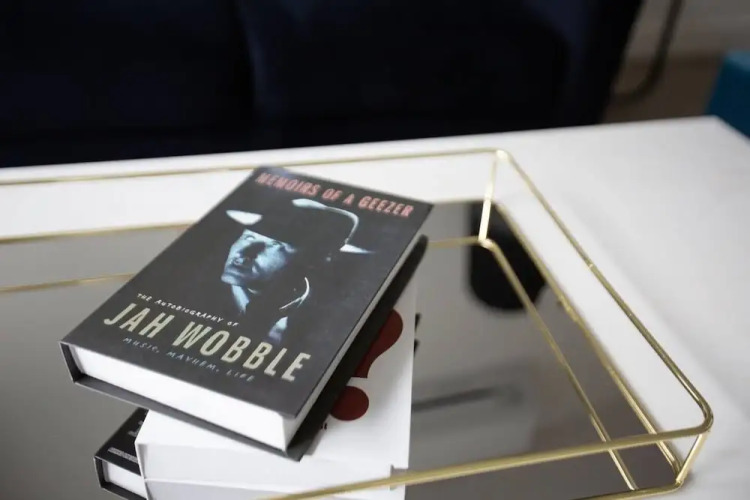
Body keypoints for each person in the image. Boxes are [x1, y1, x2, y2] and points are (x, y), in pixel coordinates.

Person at [220, 198, 368, 342]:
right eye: (249, 238)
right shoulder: (208, 293)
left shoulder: (334, 318)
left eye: (275, 244)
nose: (243, 254)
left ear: (314, 259)